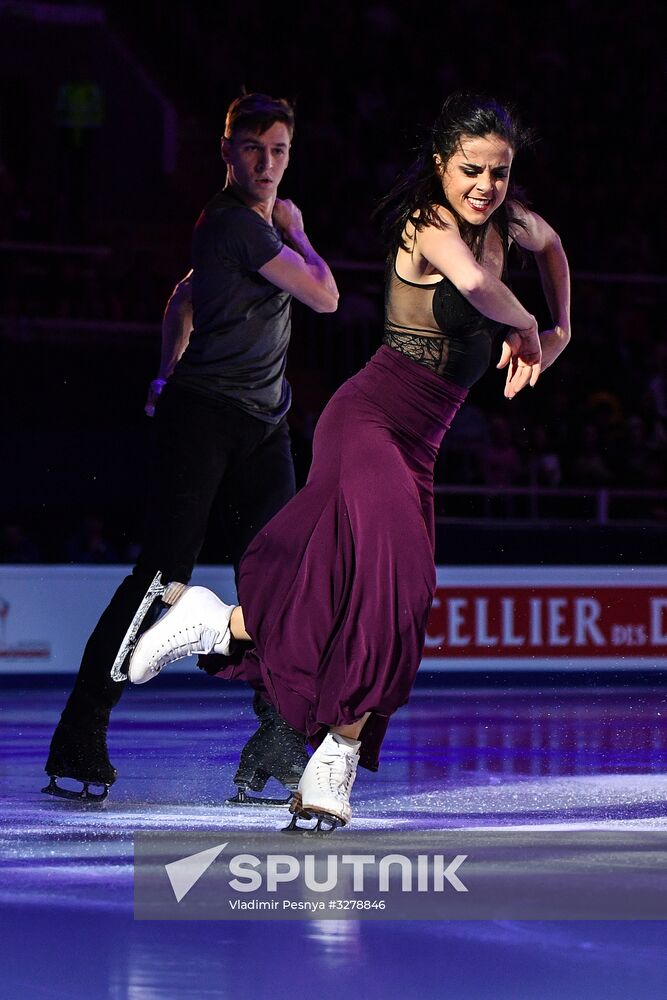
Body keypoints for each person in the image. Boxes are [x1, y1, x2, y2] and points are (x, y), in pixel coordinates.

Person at [122, 93, 571, 830]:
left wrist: (558, 333)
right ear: (439, 165)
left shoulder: (510, 220)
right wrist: (526, 326)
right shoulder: (429, 221)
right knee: (399, 585)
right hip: (365, 419)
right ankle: (334, 758)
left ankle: (222, 625)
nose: (484, 187)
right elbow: (477, 287)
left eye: (498, 172)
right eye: (469, 170)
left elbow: (550, 247)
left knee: (363, 600)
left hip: (420, 443)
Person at [44, 92, 339, 802]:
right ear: (227, 150)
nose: (266, 163)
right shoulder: (237, 222)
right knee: (162, 576)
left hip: (266, 426)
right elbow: (326, 296)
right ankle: (80, 734)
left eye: (278, 151)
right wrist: (299, 232)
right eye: (252, 148)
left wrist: (162, 366)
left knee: (276, 583)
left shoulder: (237, 230)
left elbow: (182, 296)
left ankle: (275, 730)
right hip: (204, 418)